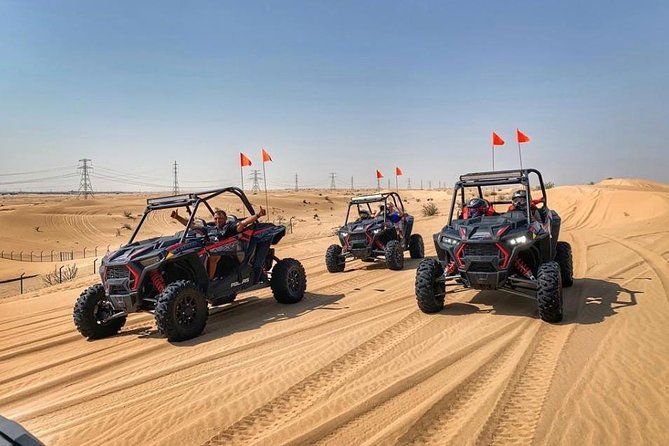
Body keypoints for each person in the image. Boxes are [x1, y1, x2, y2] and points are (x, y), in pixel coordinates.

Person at [171, 206, 267, 278]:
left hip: (226, 252)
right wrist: (177, 217)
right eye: (216, 218)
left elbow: (243, 223)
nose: (218, 220)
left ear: (225, 219)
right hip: (208, 250)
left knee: (213, 256)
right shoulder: (209, 229)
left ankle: (210, 281)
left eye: (220, 218)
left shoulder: (229, 227)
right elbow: (192, 225)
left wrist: (258, 215)